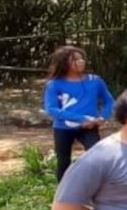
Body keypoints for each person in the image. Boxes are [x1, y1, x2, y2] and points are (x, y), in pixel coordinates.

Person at [43, 45, 115, 181]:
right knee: (63, 162)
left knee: (97, 155)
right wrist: (81, 119)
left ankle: (95, 188)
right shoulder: (54, 84)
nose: (81, 62)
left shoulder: (95, 81)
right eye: (75, 59)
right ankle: (63, 195)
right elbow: (51, 109)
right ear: (64, 63)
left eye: (82, 58)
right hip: (63, 129)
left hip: (90, 127)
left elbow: (110, 101)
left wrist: (102, 117)